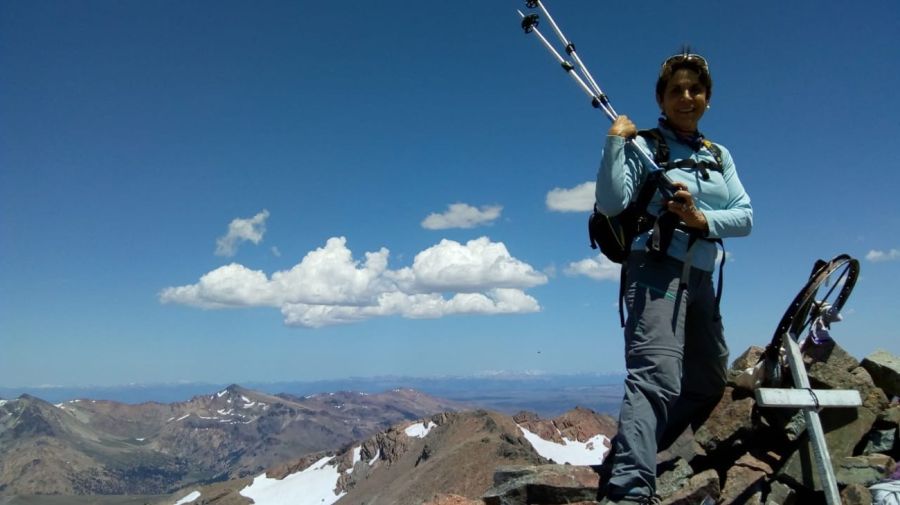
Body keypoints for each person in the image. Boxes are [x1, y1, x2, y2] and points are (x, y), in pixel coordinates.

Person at [594, 51, 753, 505]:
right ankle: (630, 490)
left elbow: (745, 217)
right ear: (661, 99)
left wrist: (701, 218)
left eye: (695, 89)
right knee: (655, 377)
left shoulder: (718, 155)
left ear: (707, 98)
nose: (687, 97)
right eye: (676, 90)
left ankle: (649, 449)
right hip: (655, 269)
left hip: (700, 275)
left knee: (707, 380)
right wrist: (615, 143)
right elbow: (610, 203)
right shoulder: (642, 144)